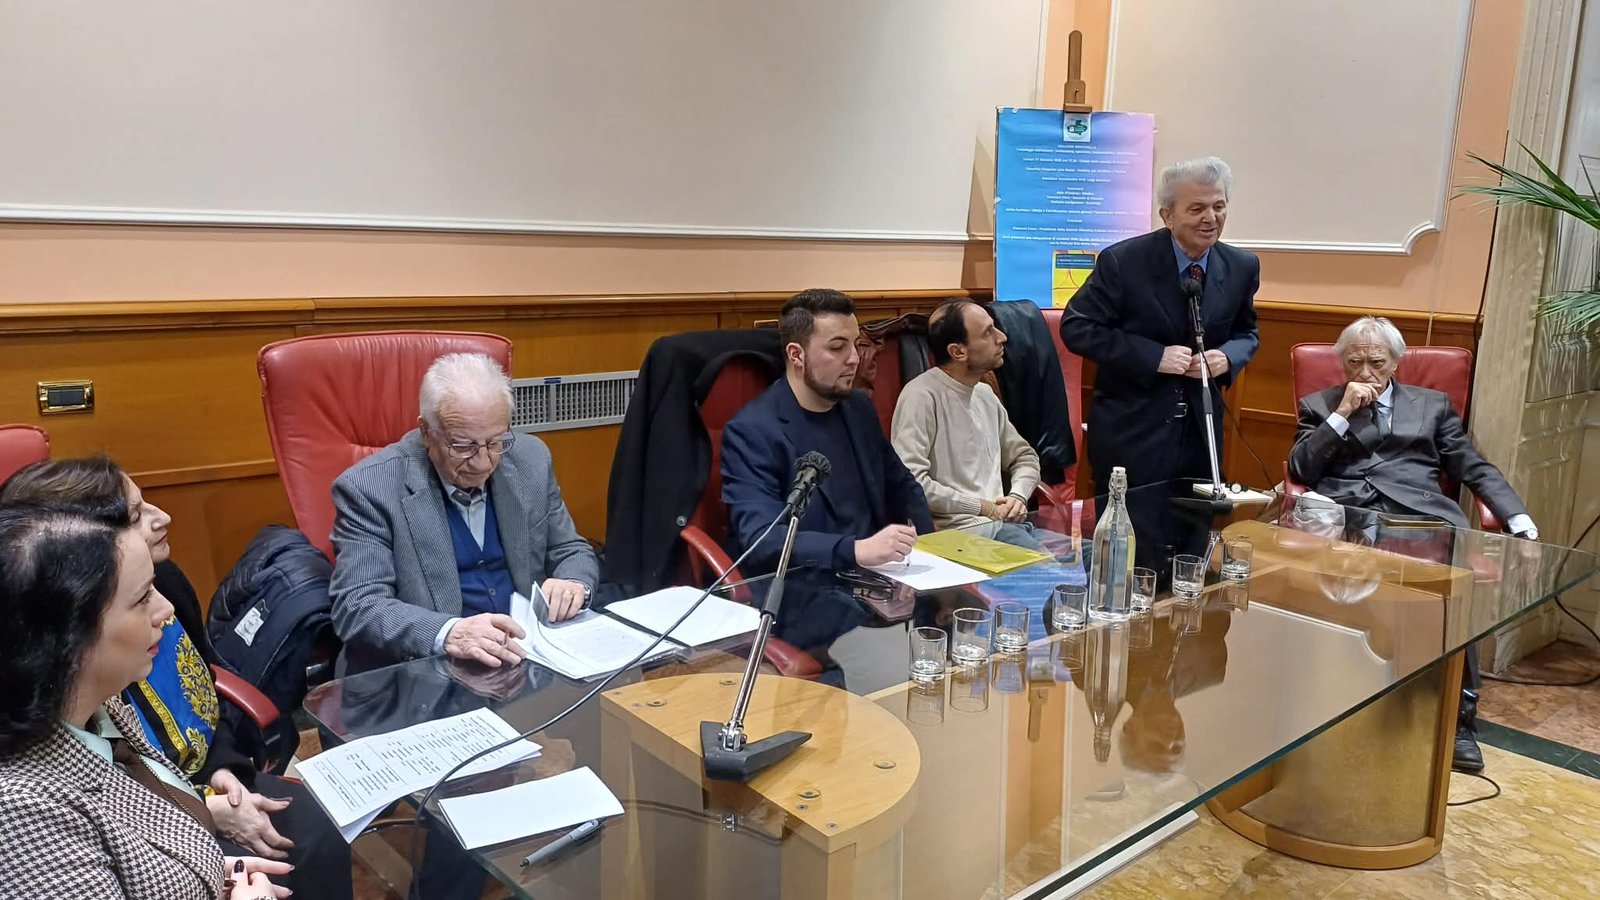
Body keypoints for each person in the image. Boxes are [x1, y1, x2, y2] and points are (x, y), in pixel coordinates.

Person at [0, 457, 352, 898]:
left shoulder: (100, 709)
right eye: (141, 598)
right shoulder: (23, 814)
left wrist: (214, 867)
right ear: (66, 636)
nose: (164, 610)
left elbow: (152, 816)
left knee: (317, 829)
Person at [1287, 315, 1536, 773]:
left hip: (1421, 519)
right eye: (1354, 362)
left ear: (1396, 362)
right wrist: (1342, 414)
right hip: (1353, 519)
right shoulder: (1320, 405)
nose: (1365, 372)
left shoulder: (1432, 406)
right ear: (1342, 363)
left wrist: (1518, 520)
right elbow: (1300, 469)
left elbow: (1473, 466)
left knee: (1449, 597)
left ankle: (1460, 720)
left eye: (1376, 362)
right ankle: (1328, 696)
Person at [328, 351, 600, 675]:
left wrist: (574, 583)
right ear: (426, 432)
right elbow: (358, 605)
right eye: (463, 446)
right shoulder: (369, 488)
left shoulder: (531, 460)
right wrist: (449, 633)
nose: (483, 462)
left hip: (529, 660)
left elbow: (570, 549)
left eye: (495, 442)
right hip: (427, 672)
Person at [1060, 156, 1260, 573]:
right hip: (1133, 432)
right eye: (1197, 208)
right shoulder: (1124, 261)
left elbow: (1248, 333)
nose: (1211, 218)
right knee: (1131, 558)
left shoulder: (1242, 266)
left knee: (1192, 554)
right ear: (1167, 215)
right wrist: (1154, 357)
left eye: (1219, 206)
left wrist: (1227, 357)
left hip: (1200, 436)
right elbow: (1077, 327)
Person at [721, 288, 935, 655]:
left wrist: (931, 554)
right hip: (809, 592)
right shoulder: (754, 430)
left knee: (965, 625)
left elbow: (902, 485)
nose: (853, 359)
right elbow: (762, 540)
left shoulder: (858, 409)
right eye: (837, 347)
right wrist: (856, 550)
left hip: (881, 582)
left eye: (855, 344)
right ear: (796, 355)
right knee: (893, 660)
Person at [891, 298, 1041, 530]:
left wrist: (1018, 496)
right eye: (988, 332)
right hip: (960, 535)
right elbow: (912, 483)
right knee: (1063, 554)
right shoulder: (920, 396)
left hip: (1002, 526)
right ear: (958, 352)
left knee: (1090, 548)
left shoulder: (985, 394)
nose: (1002, 337)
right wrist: (985, 508)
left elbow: (1024, 457)